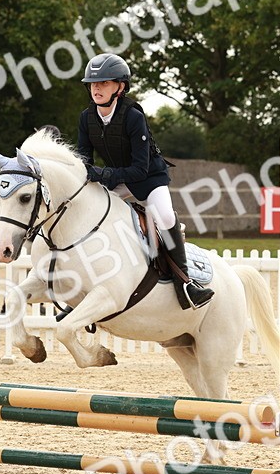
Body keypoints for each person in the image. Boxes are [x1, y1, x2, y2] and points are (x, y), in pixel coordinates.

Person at [76, 53, 213, 310]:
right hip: (118, 179)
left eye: (104, 83)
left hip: (149, 178)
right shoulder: (86, 118)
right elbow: (84, 160)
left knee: (165, 217)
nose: (96, 88)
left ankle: (185, 283)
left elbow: (140, 169)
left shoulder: (132, 115)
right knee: (90, 213)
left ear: (121, 86)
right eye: (93, 83)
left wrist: (103, 175)